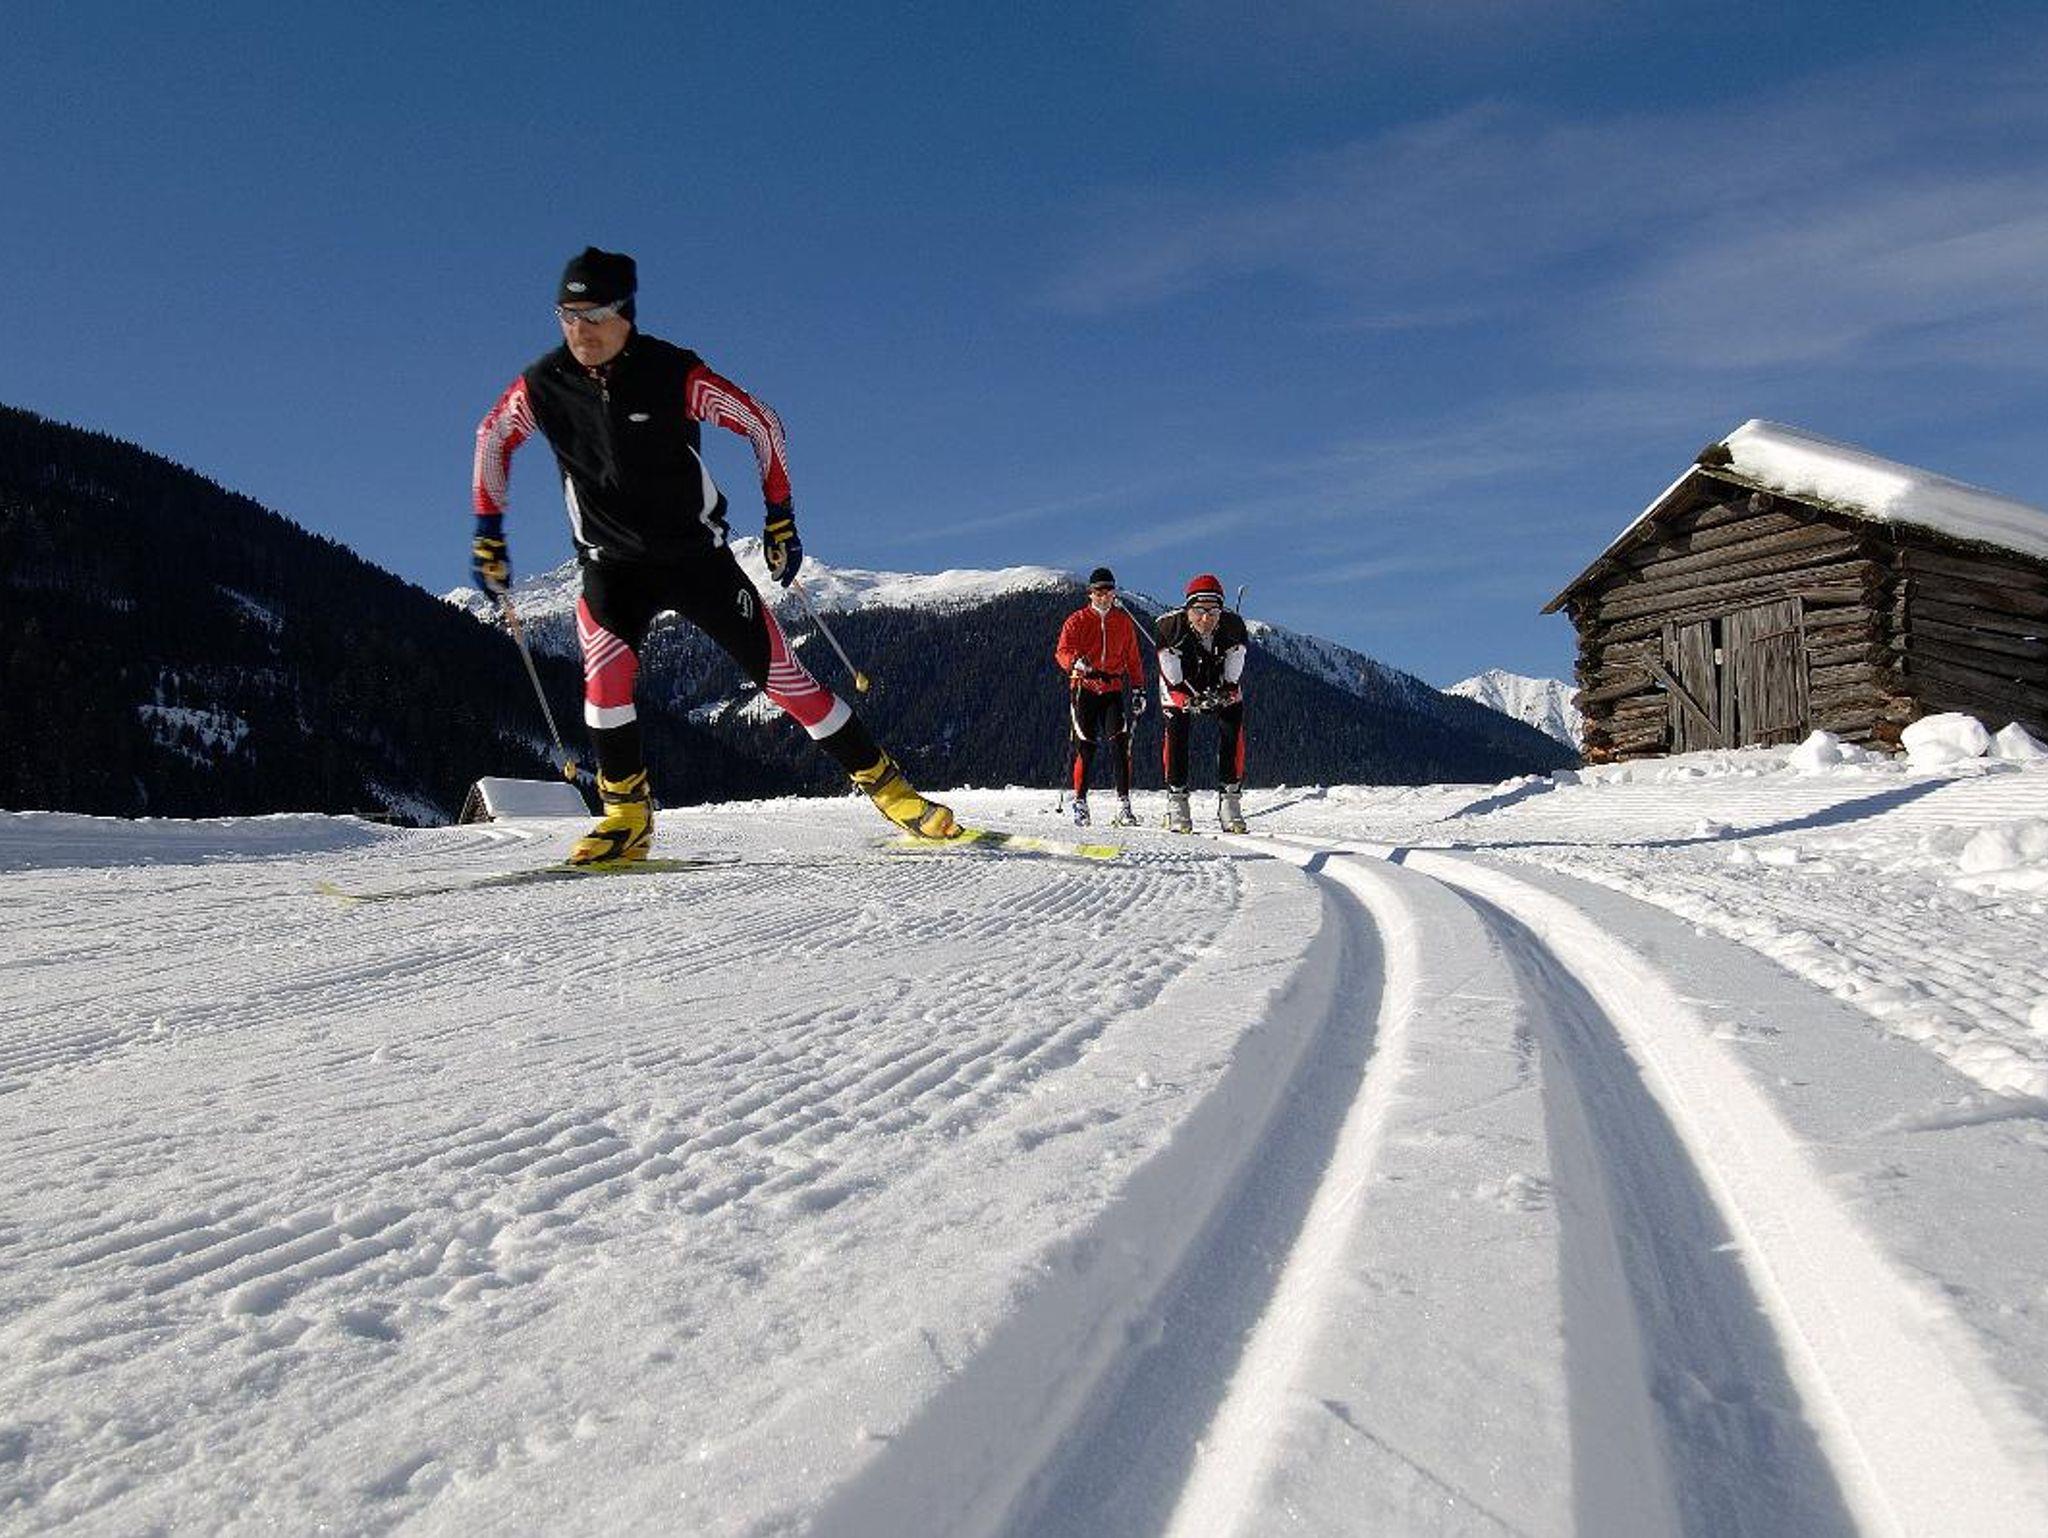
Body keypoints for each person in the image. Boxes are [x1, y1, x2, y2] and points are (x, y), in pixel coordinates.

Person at [470, 247, 956, 864]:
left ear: (625, 313)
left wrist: (780, 517)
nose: (580, 331)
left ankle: (895, 794)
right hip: (611, 566)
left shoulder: (673, 373)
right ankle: (626, 819)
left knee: (788, 683)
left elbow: (762, 424)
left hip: (696, 560)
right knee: (605, 684)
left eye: (593, 315)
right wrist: (488, 532)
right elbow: (493, 437)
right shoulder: (544, 385)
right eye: (567, 316)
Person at [1154, 573, 1249, 833]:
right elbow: (1172, 680)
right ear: (1187, 610)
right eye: (1198, 611)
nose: (1206, 619)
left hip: (1218, 681)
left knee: (1232, 730)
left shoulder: (1234, 628)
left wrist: (1224, 695)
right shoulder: (1168, 628)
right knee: (1177, 734)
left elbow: (1233, 678)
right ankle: (1177, 801)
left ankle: (1230, 801)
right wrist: (1188, 700)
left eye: (1213, 612)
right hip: (1181, 684)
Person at [1053, 567, 1146, 826]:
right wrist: (1075, 662)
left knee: (1120, 745)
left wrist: (1138, 688)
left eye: (1108, 592)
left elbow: (1133, 659)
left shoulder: (1123, 622)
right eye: (1098, 592)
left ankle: (1124, 805)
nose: (1104, 597)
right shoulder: (1077, 620)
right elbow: (1062, 651)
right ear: (1090, 594)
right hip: (1085, 688)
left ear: (1114, 593)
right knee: (1086, 745)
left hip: (1112, 688)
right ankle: (1080, 803)